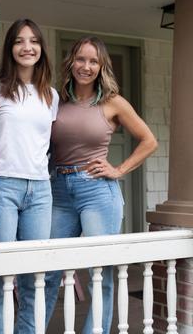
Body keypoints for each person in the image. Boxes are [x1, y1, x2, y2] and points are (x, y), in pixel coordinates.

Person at [45, 36, 158, 334]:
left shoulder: (112, 102)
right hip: (58, 190)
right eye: (81, 59)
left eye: (93, 61)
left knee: (99, 272)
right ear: (71, 62)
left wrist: (119, 169)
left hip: (97, 191)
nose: (86, 66)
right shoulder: (58, 101)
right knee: (47, 269)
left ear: (101, 66)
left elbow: (149, 141)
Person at [0, 18, 59, 334]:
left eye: (34, 41)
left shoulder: (50, 96)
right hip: (1, 184)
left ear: (41, 48)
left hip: (40, 189)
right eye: (19, 41)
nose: (27, 47)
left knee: (34, 274)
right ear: (10, 48)